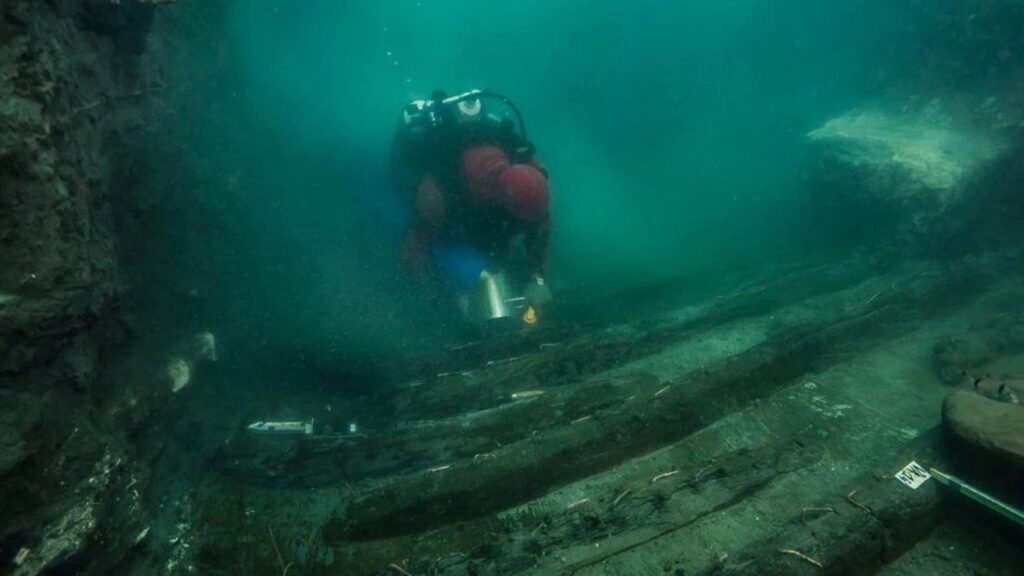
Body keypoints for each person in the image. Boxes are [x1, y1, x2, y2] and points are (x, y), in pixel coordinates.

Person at [392, 90, 553, 317]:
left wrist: (538, 278)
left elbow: (541, 225)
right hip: (457, 211)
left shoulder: (528, 168)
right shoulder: (439, 193)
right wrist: (431, 296)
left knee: (499, 241)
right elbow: (413, 251)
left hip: (484, 210)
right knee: (459, 237)